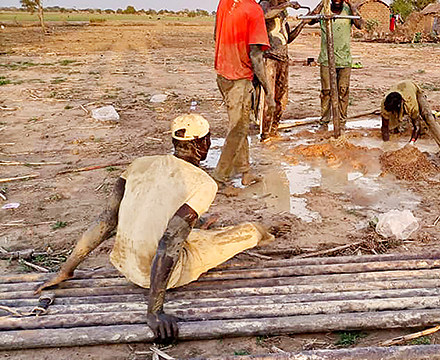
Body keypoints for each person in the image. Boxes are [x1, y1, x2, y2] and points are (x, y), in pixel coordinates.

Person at [35, 114, 273, 342]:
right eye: (208, 140)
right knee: (249, 232)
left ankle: (200, 229)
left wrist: (66, 270)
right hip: (160, 275)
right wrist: (154, 311)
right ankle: (265, 232)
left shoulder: (139, 164)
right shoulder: (203, 183)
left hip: (125, 263)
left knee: (189, 227)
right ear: (203, 143)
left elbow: (106, 222)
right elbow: (169, 242)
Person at [213, 0, 275, 187]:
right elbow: (256, 57)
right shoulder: (253, 10)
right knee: (238, 129)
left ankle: (246, 171)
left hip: (222, 71)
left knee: (239, 123)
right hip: (239, 76)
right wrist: (268, 91)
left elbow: (216, 34)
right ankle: (219, 177)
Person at [309, 0, 364, 127]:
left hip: (344, 60)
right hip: (327, 59)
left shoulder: (348, 11)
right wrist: (323, 1)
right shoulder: (325, 10)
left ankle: (341, 121)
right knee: (326, 91)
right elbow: (309, 20)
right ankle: (325, 120)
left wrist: (351, 5)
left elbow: (360, 24)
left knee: (343, 91)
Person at [258, 0, 308, 139]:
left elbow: (288, 38)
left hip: (283, 59)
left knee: (281, 98)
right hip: (269, 58)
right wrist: (286, 5)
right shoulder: (264, 5)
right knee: (269, 98)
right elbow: (266, 15)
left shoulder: (282, 13)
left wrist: (302, 24)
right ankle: (265, 133)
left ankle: (274, 129)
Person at [380, 80, 440, 150]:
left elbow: (417, 126)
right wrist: (386, 146)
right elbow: (385, 127)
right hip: (400, 92)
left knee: (428, 117)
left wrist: (411, 142)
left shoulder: (411, 104)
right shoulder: (385, 105)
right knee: (391, 126)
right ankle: (397, 131)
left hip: (415, 91)